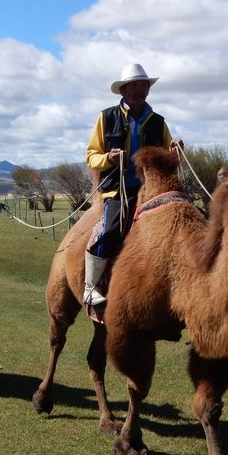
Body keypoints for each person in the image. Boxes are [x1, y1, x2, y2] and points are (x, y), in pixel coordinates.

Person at [83, 63, 173, 306]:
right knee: (111, 230)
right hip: (118, 190)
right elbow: (91, 157)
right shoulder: (106, 118)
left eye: (144, 86)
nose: (140, 91)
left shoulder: (158, 122)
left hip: (153, 190)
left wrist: (175, 151)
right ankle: (90, 286)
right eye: (134, 86)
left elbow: (168, 155)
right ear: (123, 90)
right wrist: (108, 159)